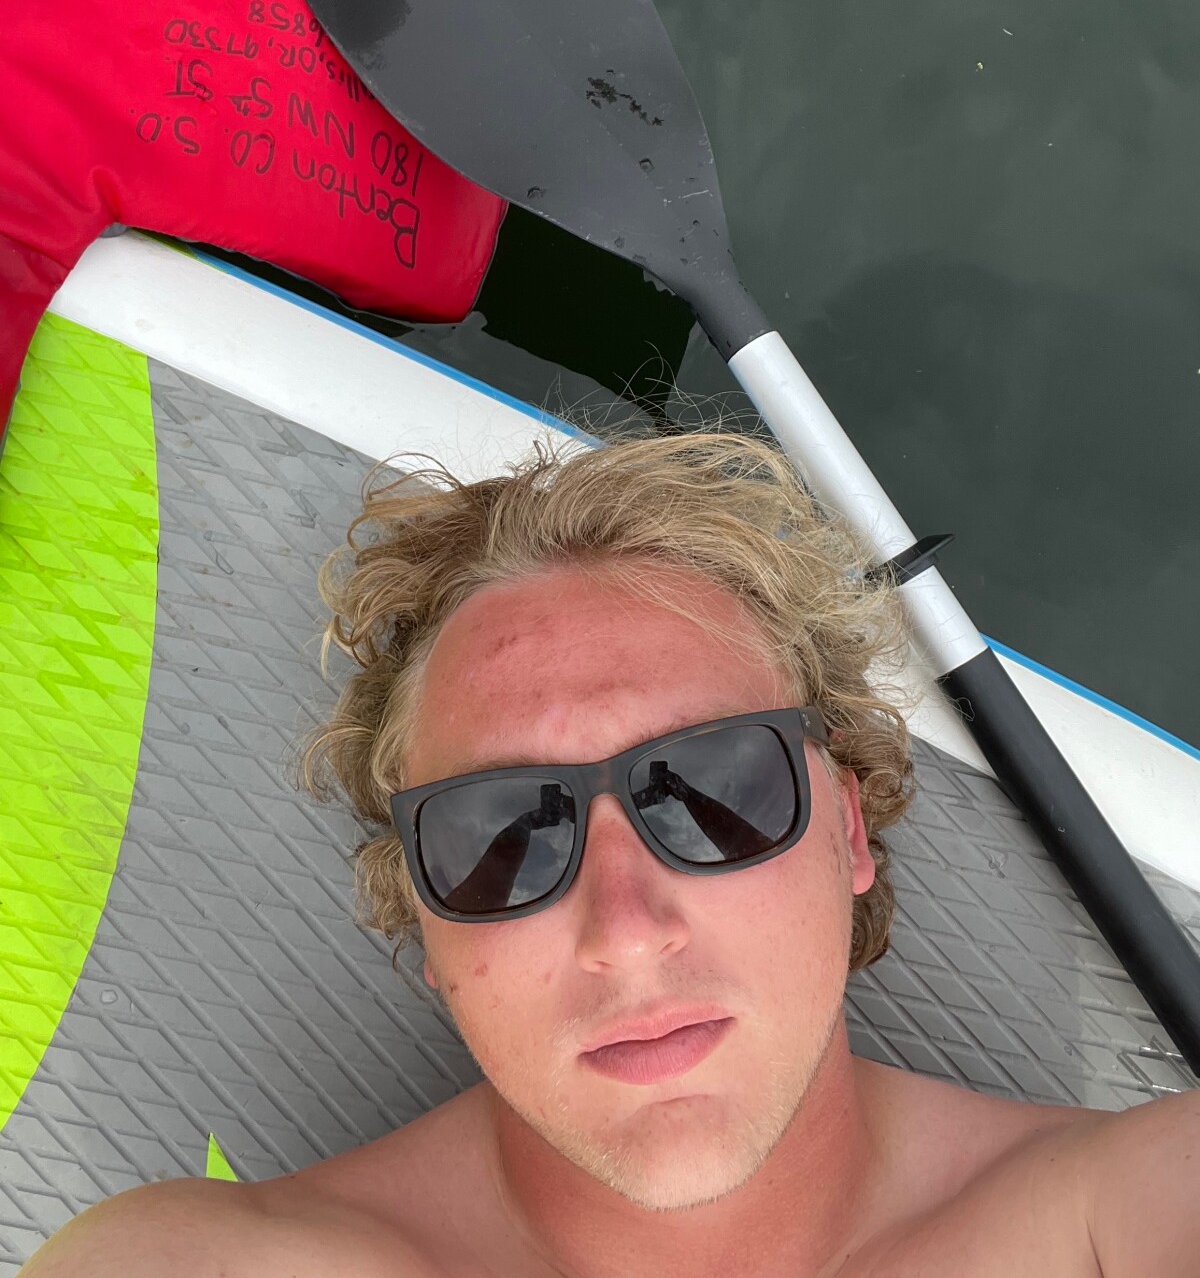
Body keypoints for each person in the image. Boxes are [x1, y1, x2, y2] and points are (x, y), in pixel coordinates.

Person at [22, 433, 1199, 1277]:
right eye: (501, 836)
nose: (627, 930)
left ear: (847, 827)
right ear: (424, 918)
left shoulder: (1122, 1214)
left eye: (714, 788)